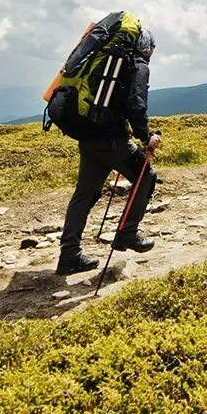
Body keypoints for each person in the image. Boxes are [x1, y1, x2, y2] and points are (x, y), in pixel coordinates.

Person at [57, 28, 161, 274]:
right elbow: (136, 104)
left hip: (88, 138)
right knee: (146, 175)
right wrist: (147, 136)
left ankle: (68, 255)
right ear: (147, 47)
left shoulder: (105, 62)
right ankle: (127, 233)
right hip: (113, 140)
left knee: (83, 194)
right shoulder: (137, 65)